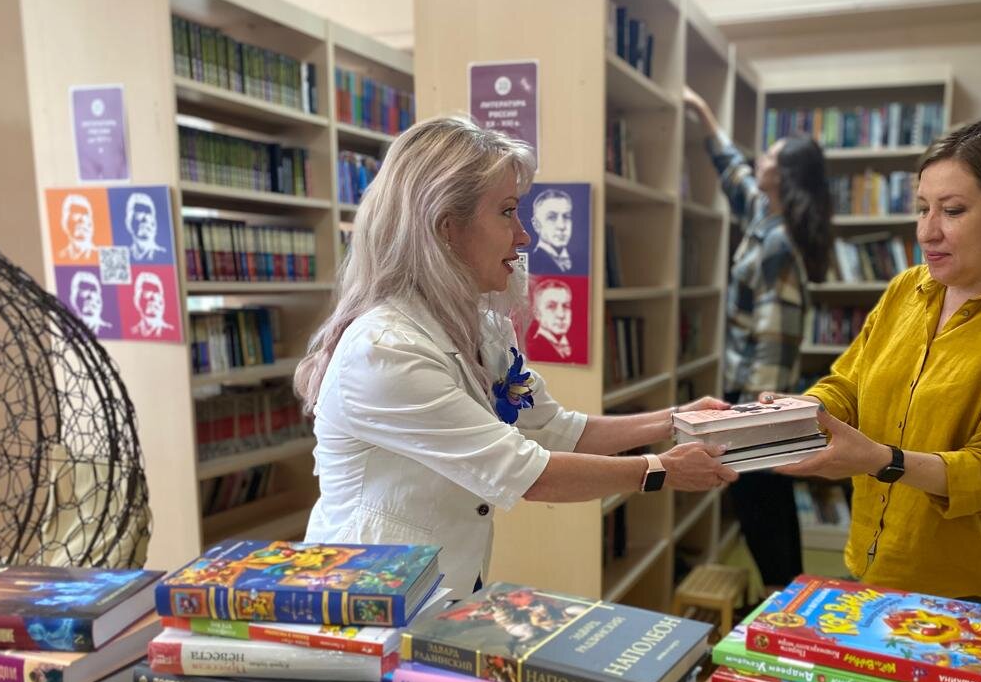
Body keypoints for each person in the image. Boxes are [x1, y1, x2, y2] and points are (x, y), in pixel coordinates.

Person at [295, 116, 737, 596]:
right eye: (507, 212)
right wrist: (661, 471)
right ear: (446, 228)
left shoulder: (481, 326)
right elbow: (529, 474)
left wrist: (675, 420)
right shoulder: (384, 352)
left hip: (439, 584)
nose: (524, 236)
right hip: (365, 597)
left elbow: (554, 428)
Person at [769, 116, 981, 612]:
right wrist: (807, 410)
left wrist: (882, 460)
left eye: (952, 211)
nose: (927, 232)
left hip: (968, 592)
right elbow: (849, 383)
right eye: (921, 209)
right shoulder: (907, 289)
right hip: (875, 560)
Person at [683, 86, 833, 596]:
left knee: (761, 512)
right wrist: (703, 111)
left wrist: (749, 419)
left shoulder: (777, 243)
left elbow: (774, 338)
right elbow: (735, 175)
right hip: (752, 401)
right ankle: (788, 599)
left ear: (784, 176)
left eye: (770, 156)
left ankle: (783, 607)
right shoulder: (765, 218)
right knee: (767, 508)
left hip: (756, 406)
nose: (760, 159)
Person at [525, 277, 573, 361]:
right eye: (551, 306)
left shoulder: (577, 347)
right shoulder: (531, 350)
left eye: (565, 306)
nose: (561, 315)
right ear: (537, 314)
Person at [529, 187, 573, 272]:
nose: (561, 226)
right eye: (552, 217)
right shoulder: (531, 264)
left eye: (566, 216)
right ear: (536, 225)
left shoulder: (582, 262)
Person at [125, 191, 166, 261]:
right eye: (139, 211)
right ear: (128, 221)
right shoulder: (125, 256)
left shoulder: (164, 255)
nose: (145, 218)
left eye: (148, 213)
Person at [131, 272, 174, 338]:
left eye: (157, 295)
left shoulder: (170, 331)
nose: (154, 302)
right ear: (137, 301)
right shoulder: (133, 332)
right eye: (147, 294)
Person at [58, 194, 97, 262]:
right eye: (76, 213)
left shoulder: (99, 255)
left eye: (86, 214)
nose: (82, 219)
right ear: (65, 221)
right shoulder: (60, 256)